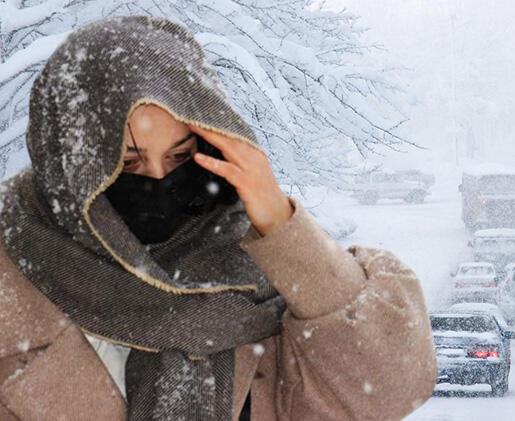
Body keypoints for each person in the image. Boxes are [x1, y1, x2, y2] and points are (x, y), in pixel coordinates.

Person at [0, 15, 436, 421]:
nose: (157, 180)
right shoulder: (16, 277)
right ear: (69, 169)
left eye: (179, 156)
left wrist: (280, 222)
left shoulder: (263, 276)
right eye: (127, 164)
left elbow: (388, 387)